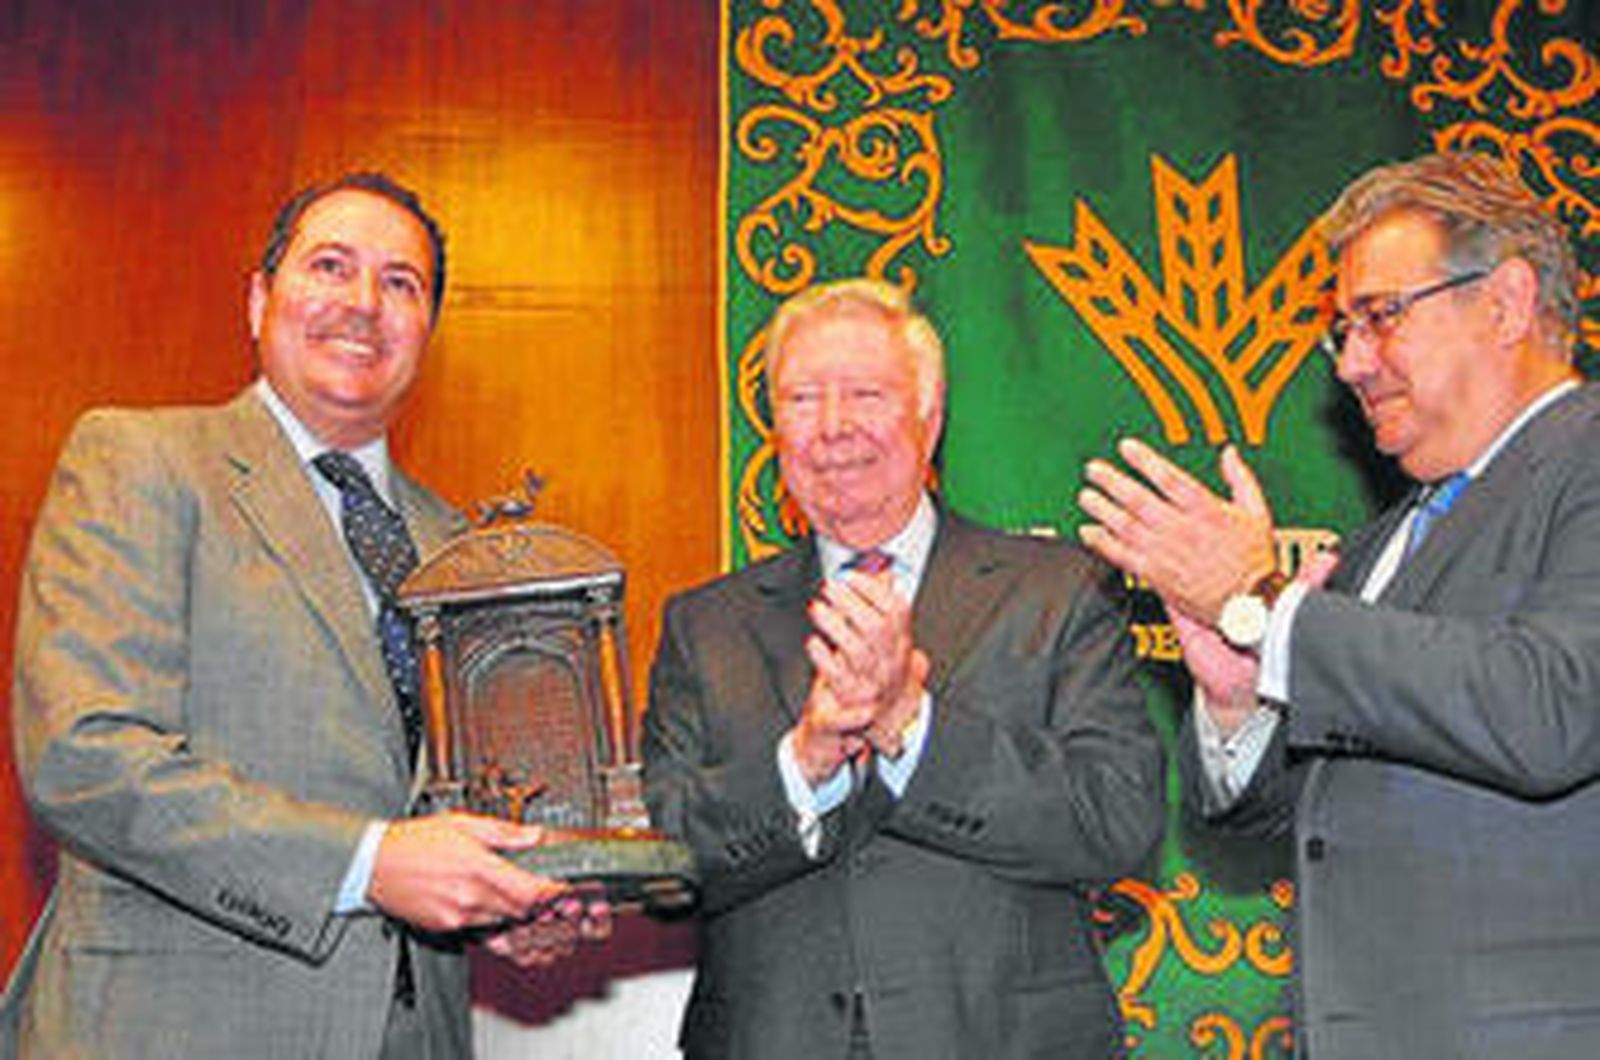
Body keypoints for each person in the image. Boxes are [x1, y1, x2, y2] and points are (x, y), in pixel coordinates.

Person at [1, 172, 604, 1059]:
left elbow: (441, 811)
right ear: (258, 299)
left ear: (427, 327)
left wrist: (504, 901)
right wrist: (368, 864)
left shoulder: (460, 547)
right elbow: (83, 755)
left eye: (402, 284)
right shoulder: (142, 461)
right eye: (330, 266)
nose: (363, 304)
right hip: (174, 1028)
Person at [1077, 152, 1598, 1058]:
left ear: (1507, 303)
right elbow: (1318, 807)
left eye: (1381, 317)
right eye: (1342, 331)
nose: (1354, 363)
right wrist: (1239, 702)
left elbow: (1551, 706)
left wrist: (1262, 603)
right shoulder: (1382, 541)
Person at [643, 278, 1164, 1059]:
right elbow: (663, 865)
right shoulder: (704, 625)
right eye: (801, 398)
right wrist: (804, 762)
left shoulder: (1059, 590)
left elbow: (1116, 822)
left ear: (931, 418)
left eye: (865, 393)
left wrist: (910, 728)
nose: (832, 427)